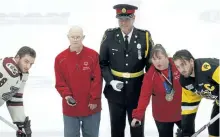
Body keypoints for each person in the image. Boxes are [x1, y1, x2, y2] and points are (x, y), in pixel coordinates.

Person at [99, 4, 154, 137]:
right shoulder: (110, 35)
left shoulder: (144, 36)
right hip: (115, 92)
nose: (123, 22)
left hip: (137, 90)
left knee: (137, 128)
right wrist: (111, 81)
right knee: (116, 128)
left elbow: (150, 66)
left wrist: (149, 87)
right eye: (120, 19)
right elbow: (103, 63)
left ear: (134, 18)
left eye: (127, 19)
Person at [54, 26, 102, 137]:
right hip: (70, 108)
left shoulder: (93, 55)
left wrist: (94, 99)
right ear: (68, 37)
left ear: (83, 37)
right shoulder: (60, 58)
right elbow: (60, 83)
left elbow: (98, 79)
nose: (75, 39)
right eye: (73, 37)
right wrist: (67, 96)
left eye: (78, 37)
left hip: (91, 107)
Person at [131, 44, 182, 137]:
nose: (157, 62)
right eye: (154, 59)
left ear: (166, 56)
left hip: (182, 112)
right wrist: (137, 116)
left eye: (159, 58)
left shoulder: (177, 65)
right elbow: (144, 97)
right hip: (162, 116)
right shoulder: (150, 75)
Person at [173, 49, 219, 137]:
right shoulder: (185, 81)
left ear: (191, 61)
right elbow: (189, 106)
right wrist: (187, 132)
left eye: (183, 64)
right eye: (178, 66)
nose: (181, 70)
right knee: (214, 130)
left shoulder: (209, 68)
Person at [0, 46, 36, 137]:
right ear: (17, 57)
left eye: (31, 64)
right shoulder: (3, 66)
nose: (28, 66)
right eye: (26, 61)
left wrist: (21, 124)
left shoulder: (23, 75)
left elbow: (15, 99)